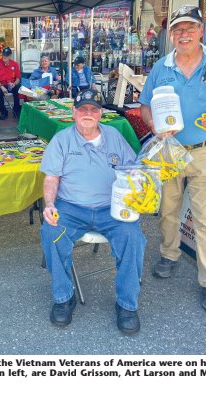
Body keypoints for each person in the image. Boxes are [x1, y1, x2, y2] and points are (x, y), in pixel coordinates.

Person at [139, 5, 206, 314]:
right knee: (168, 210)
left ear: (201, 30)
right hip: (170, 151)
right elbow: (145, 105)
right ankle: (169, 253)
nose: (184, 34)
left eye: (190, 28)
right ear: (170, 35)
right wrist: (153, 126)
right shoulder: (161, 67)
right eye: (178, 30)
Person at [40, 90, 145, 334]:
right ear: (73, 113)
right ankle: (64, 297)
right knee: (51, 231)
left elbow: (133, 171)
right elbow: (51, 178)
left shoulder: (115, 136)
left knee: (133, 237)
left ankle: (127, 304)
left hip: (112, 207)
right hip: (70, 207)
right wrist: (49, 205)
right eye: (83, 109)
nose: (88, 114)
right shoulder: (62, 140)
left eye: (93, 109)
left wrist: (141, 189)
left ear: (100, 114)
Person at [0, 46, 21, 119]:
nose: (4, 57)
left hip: (11, 84)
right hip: (0, 84)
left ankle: (16, 110)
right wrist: (1, 87)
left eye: (6, 55)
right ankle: (3, 111)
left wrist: (14, 84)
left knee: (19, 89)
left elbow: (18, 78)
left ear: (10, 56)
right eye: (3, 55)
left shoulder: (15, 64)